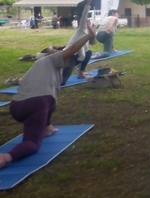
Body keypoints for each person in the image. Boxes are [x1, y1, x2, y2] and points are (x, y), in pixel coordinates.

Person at [0, 21, 97, 171]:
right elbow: (71, 49)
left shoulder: (41, 68)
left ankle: (46, 128)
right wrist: (89, 35)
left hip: (16, 106)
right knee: (32, 143)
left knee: (46, 104)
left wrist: (48, 124)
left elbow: (50, 104)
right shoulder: (51, 59)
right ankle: (6, 158)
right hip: (36, 105)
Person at [61, 0, 96, 84]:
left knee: (89, 52)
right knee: (62, 82)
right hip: (69, 56)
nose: (89, 23)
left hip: (77, 57)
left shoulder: (88, 35)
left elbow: (84, 54)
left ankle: (81, 73)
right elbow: (84, 15)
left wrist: (92, 30)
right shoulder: (82, 30)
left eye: (90, 23)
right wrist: (88, 2)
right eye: (88, 22)